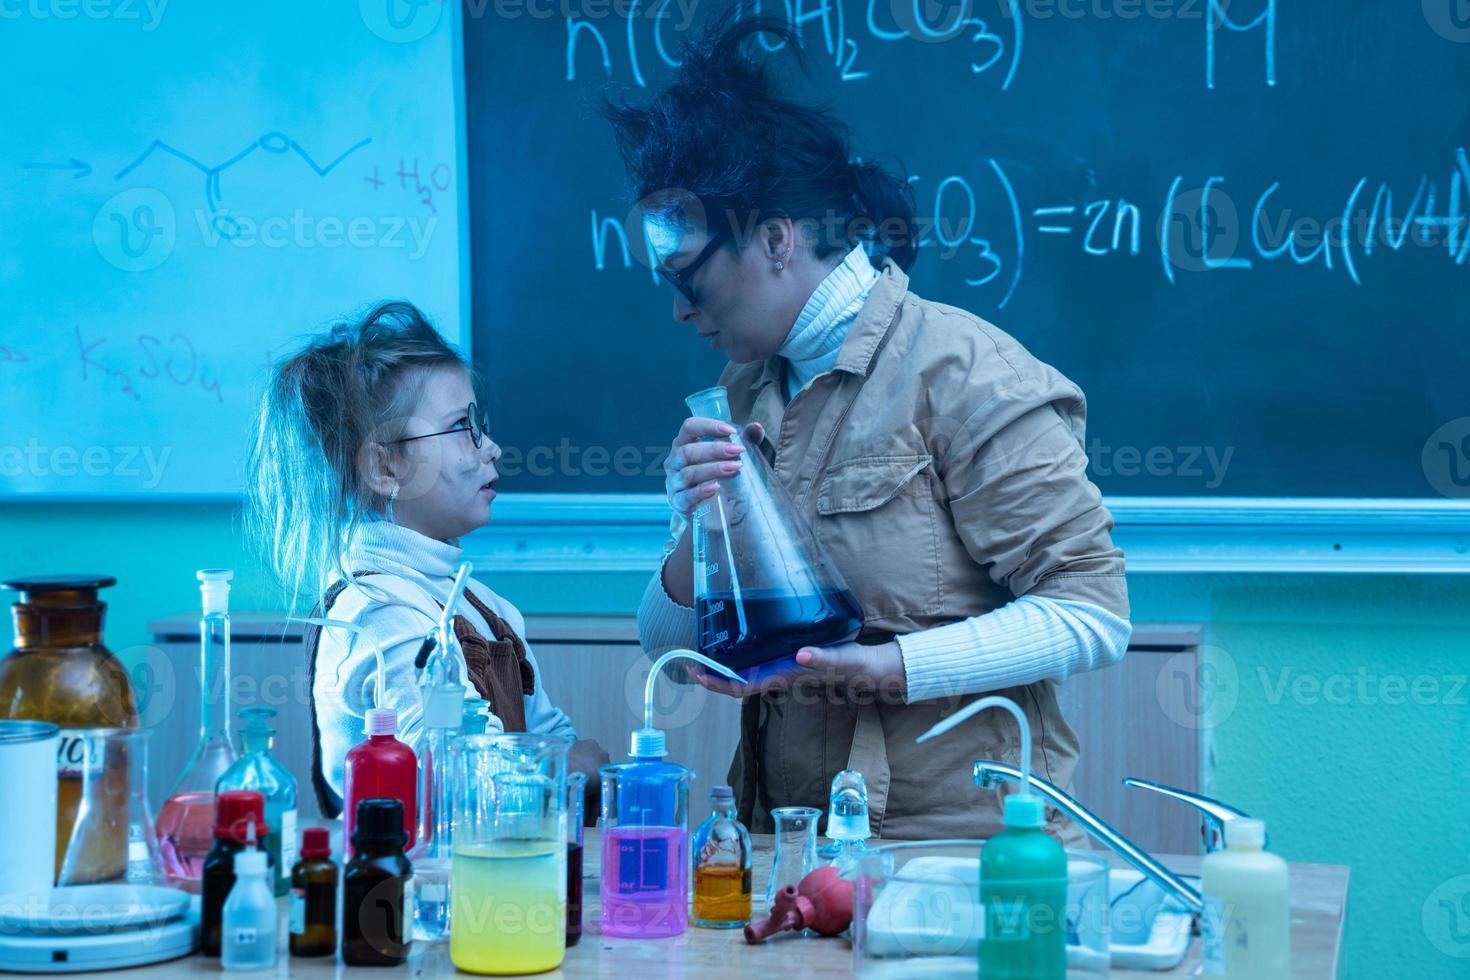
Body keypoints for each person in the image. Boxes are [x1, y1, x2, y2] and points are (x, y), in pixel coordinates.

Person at [609, 15, 1131, 842]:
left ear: (777, 239)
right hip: (789, 847)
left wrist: (891, 671)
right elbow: (671, 644)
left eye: (693, 281)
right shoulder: (740, 391)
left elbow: (1094, 613)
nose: (679, 310)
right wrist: (698, 531)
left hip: (955, 860)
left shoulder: (961, 369)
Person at [246, 301, 607, 814]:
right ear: (384, 467)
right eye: (463, 427)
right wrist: (573, 766)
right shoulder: (377, 614)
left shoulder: (488, 609)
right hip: (408, 889)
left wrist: (563, 764)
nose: (493, 448)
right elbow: (460, 779)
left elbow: (547, 743)